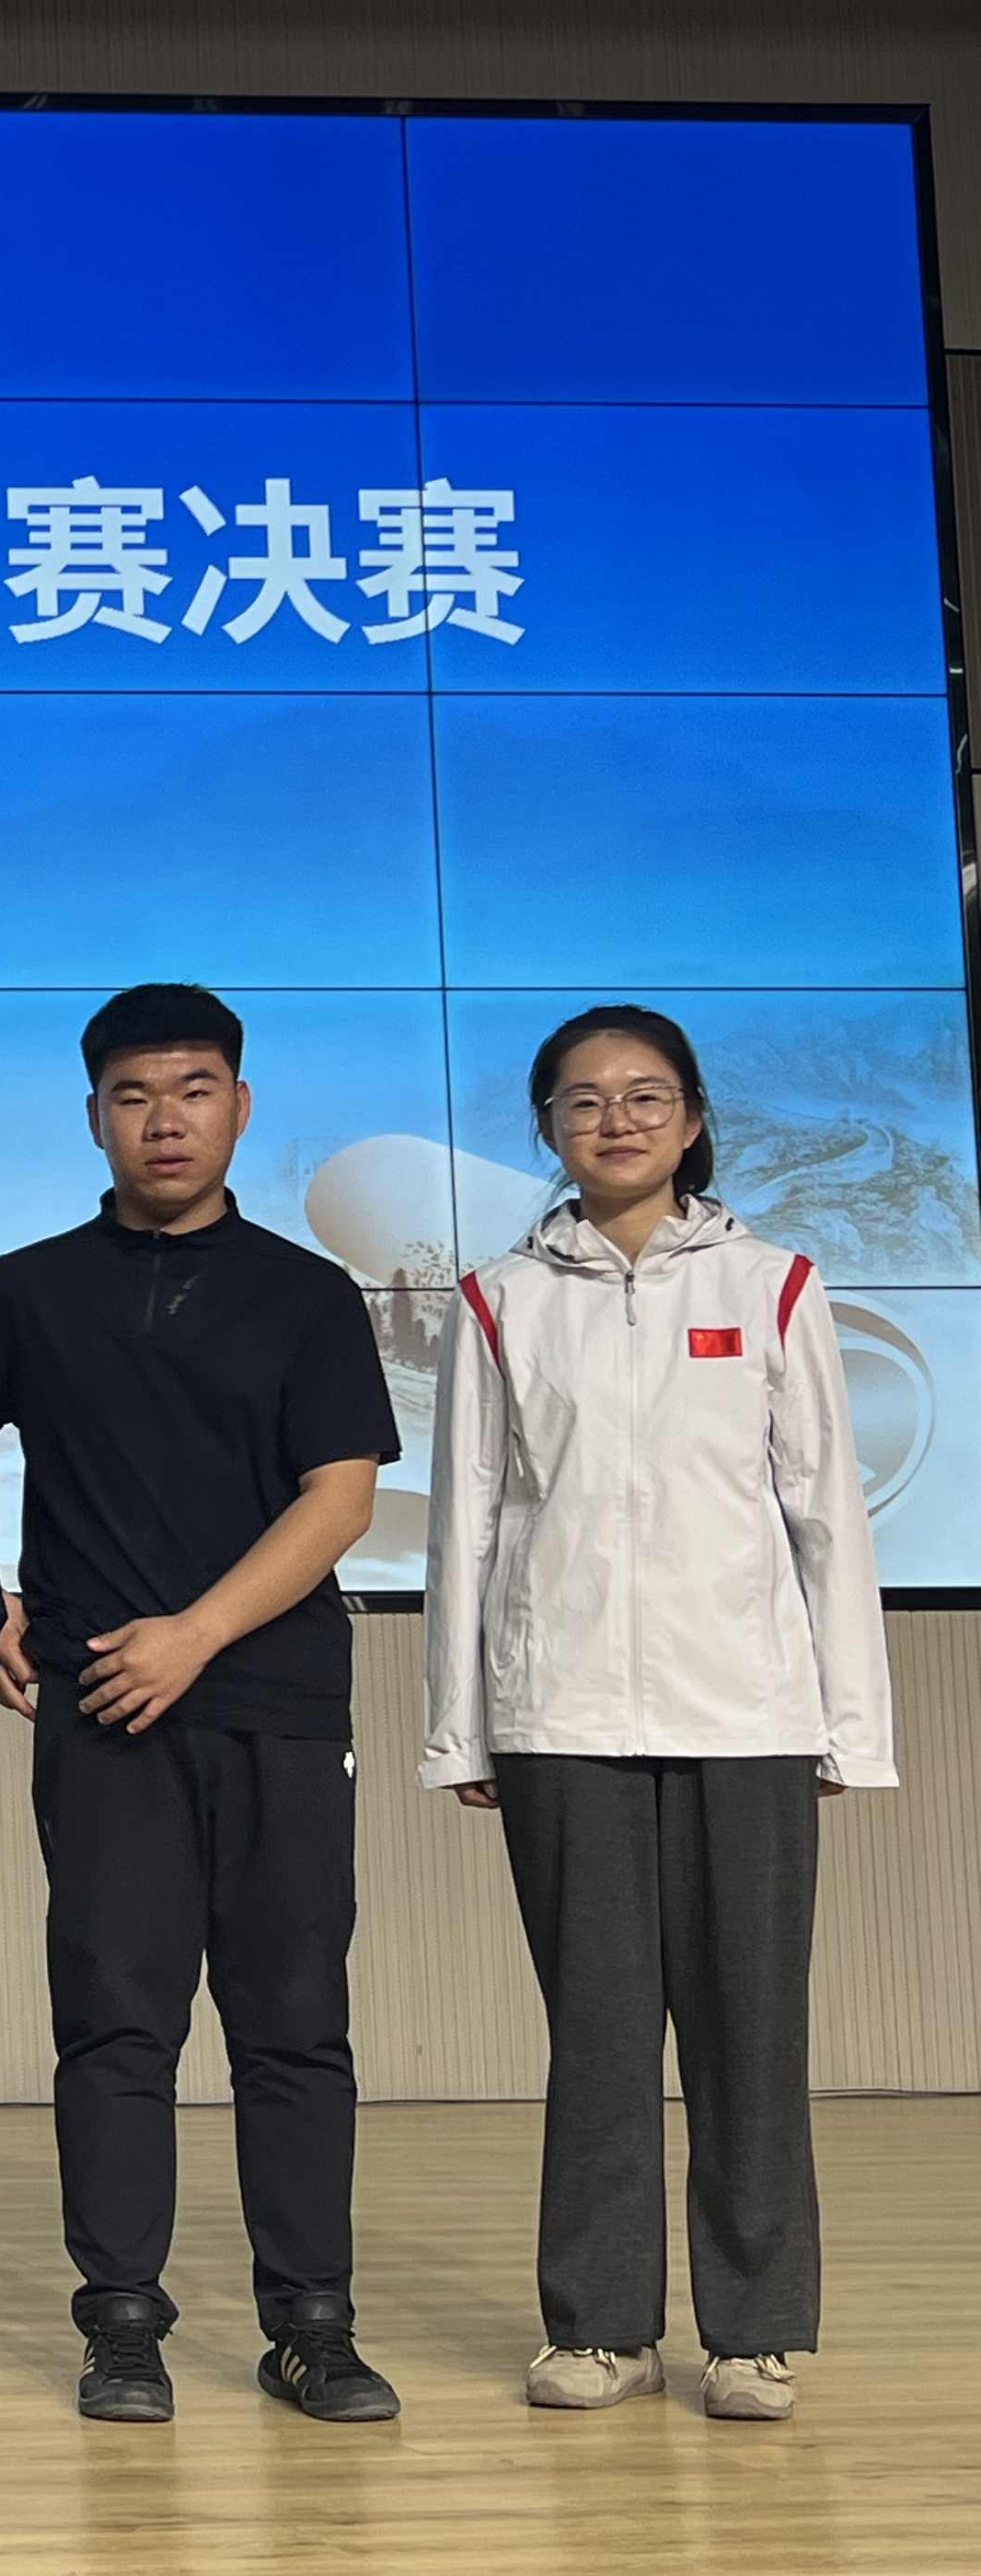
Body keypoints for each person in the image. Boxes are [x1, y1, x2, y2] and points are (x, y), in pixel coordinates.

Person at [423, 1004, 895, 2422]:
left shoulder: (774, 1284)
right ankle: (600, 2328)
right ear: (548, 1129)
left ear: (691, 1121)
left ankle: (756, 2332)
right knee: (600, 2039)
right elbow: (467, 1528)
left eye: (644, 1096)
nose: (615, 1120)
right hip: (563, 1718)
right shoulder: (502, 1298)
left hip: (745, 1715)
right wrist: (463, 1725)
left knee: (754, 2034)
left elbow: (828, 1518)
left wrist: (846, 1728)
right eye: (583, 1101)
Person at [0, 983, 404, 2427]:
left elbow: (340, 1497)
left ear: (241, 1108)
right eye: (136, 1095)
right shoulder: (25, 1290)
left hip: (276, 1701)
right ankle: (123, 2325)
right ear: (94, 1116)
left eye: (195, 1090)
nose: (167, 1119)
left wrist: (196, 1635)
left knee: (294, 2022)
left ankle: (312, 2328)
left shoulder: (306, 1294)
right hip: (102, 1710)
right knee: (115, 2021)